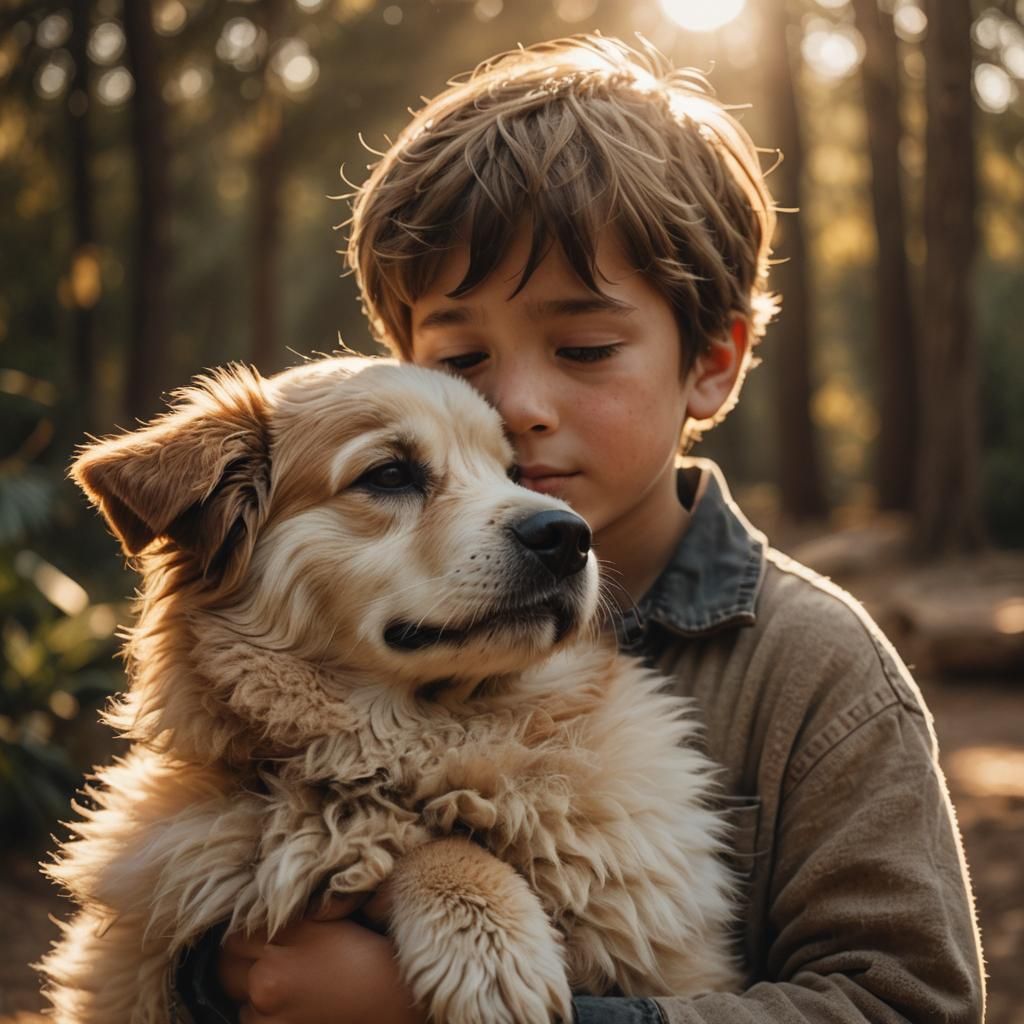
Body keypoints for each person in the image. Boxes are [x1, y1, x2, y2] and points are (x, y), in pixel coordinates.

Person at [177, 34, 985, 1024]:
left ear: (713, 363)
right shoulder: (326, 638)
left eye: (585, 348)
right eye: (462, 358)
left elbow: (905, 1001)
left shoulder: (814, 670)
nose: (517, 403)